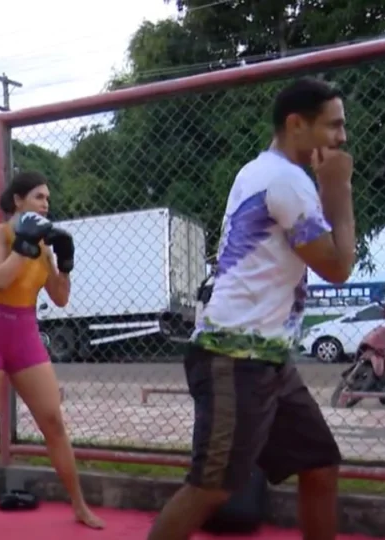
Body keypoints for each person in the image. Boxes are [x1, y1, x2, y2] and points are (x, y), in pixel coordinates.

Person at [146, 78, 355, 540]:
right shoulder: (287, 183)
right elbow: (339, 267)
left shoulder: (259, 170)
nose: (342, 137)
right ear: (296, 125)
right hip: (234, 358)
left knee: (319, 465)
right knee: (211, 488)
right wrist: (339, 191)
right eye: (334, 126)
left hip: (268, 358)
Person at [0, 171, 104, 529]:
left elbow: (60, 298)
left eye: (47, 199)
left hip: (25, 334)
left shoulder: (42, 246)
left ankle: (79, 505)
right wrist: (24, 245)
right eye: (39, 197)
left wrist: (64, 262)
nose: (46, 204)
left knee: (53, 422)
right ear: (19, 200)